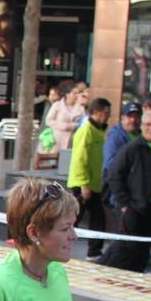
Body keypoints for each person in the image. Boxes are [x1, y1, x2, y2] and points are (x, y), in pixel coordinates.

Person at [102, 109, 151, 273]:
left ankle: (134, 284)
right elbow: (114, 175)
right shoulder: (132, 149)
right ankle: (107, 275)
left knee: (143, 249)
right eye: (148, 125)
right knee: (126, 248)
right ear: (142, 126)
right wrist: (124, 204)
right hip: (132, 208)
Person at [67, 97, 110, 258]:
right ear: (97, 113)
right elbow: (79, 159)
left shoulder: (97, 130)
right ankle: (62, 244)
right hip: (83, 184)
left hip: (93, 184)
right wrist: (84, 185)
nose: (107, 116)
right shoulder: (86, 131)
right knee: (74, 218)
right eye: (105, 113)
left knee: (95, 218)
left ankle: (94, 251)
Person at [100, 102, 141, 211]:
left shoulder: (142, 136)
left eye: (136, 117)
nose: (133, 120)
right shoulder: (116, 137)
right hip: (120, 197)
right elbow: (111, 166)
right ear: (122, 118)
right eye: (129, 116)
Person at [44, 82, 83, 150]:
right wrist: (65, 126)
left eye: (78, 93)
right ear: (67, 94)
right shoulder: (57, 105)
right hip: (56, 140)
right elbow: (49, 121)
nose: (77, 95)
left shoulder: (80, 108)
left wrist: (75, 125)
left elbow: (83, 123)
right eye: (74, 93)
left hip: (72, 141)